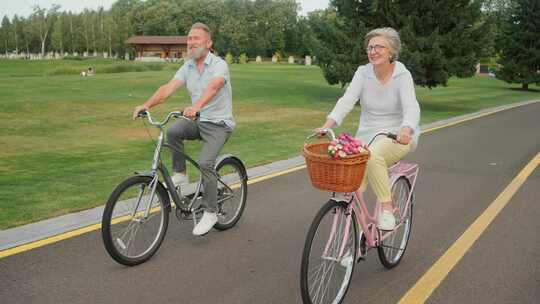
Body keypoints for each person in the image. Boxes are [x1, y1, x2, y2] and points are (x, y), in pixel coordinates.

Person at [132, 22, 235, 236]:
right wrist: (146, 105)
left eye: (196, 38)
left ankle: (211, 211)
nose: (191, 42)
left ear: (208, 43)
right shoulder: (187, 66)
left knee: (206, 162)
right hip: (198, 120)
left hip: (218, 123)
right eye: (189, 39)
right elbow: (167, 88)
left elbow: (214, 86)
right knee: (172, 132)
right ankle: (180, 174)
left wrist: (197, 106)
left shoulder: (219, 64)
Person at [317, 27, 420, 231]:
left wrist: (407, 129)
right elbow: (347, 100)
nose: (373, 51)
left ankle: (387, 208)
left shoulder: (402, 74)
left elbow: (411, 106)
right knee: (353, 188)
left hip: (396, 136)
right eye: (370, 47)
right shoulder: (363, 73)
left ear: (391, 51)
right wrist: (327, 124)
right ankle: (353, 240)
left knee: (372, 156)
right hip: (366, 136)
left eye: (379, 47)